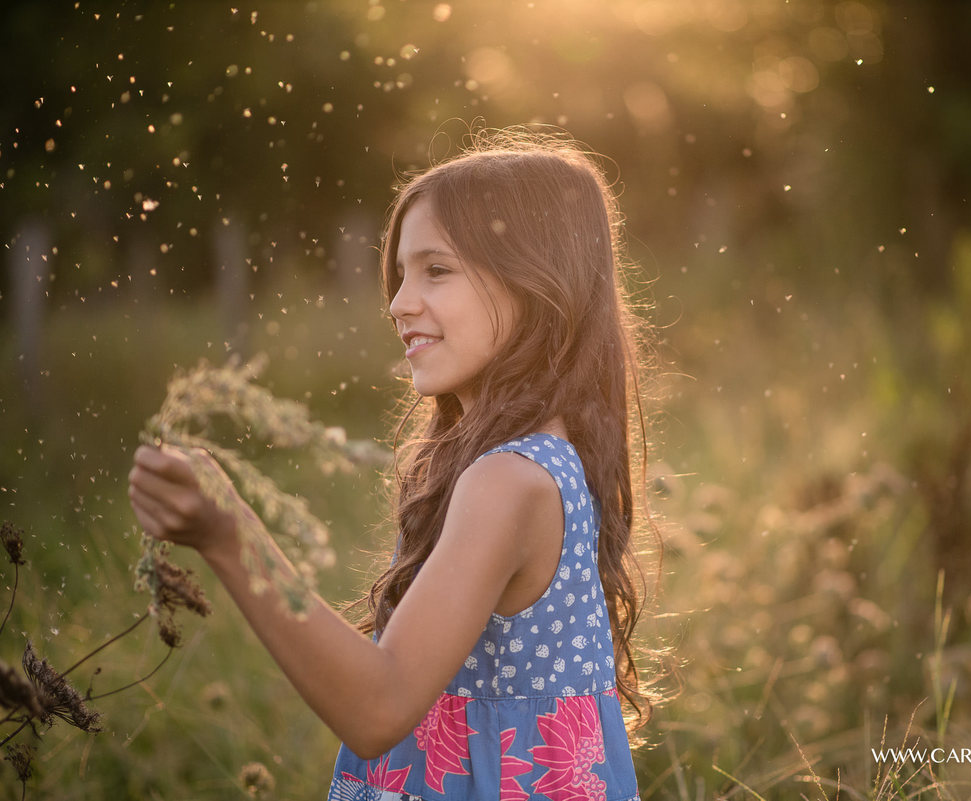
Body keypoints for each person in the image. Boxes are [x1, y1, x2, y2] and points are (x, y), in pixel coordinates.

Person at [128, 128, 654, 801]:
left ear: (538, 283)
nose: (400, 302)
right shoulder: (542, 462)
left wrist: (230, 535)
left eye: (437, 270)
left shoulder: (507, 481)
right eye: (401, 273)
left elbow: (378, 708)